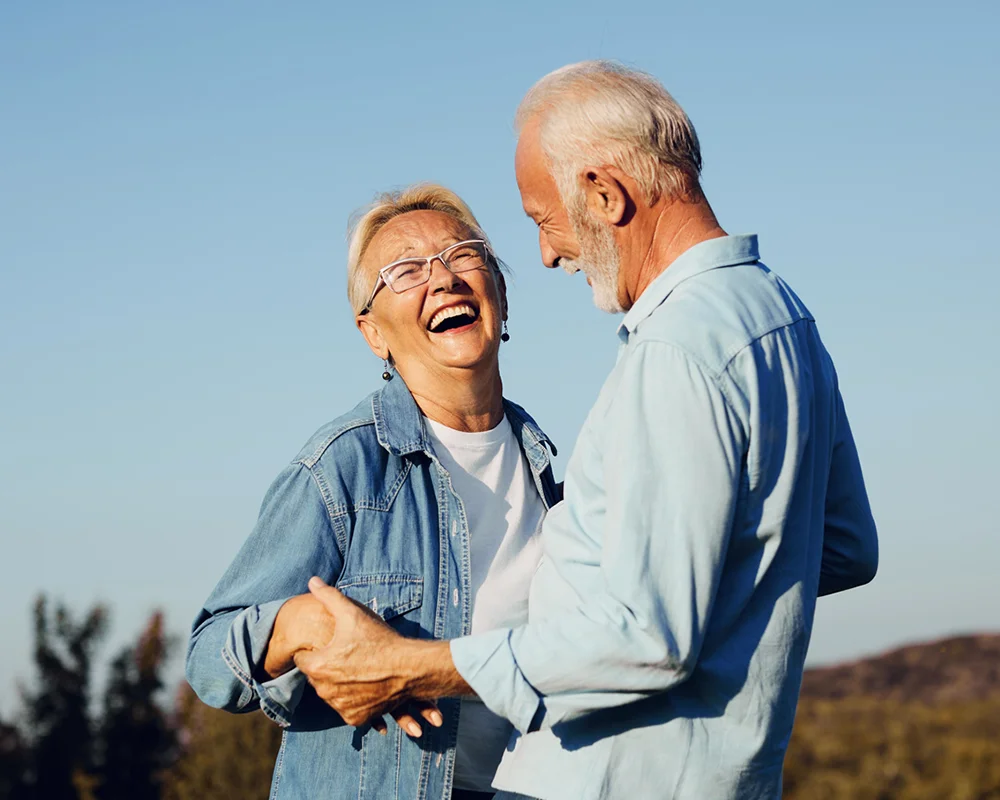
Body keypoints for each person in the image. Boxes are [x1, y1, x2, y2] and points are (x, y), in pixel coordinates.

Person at [291, 61, 880, 800]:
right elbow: (847, 548)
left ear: (606, 193)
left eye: (543, 219)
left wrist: (413, 665)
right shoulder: (784, 316)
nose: (546, 252)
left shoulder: (675, 352)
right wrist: (698, 582)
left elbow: (649, 638)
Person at [185, 184, 562, 800]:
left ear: (501, 295)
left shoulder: (548, 469)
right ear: (373, 334)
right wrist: (295, 623)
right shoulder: (343, 467)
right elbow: (208, 656)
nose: (443, 279)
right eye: (407, 270)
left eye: (463, 254)